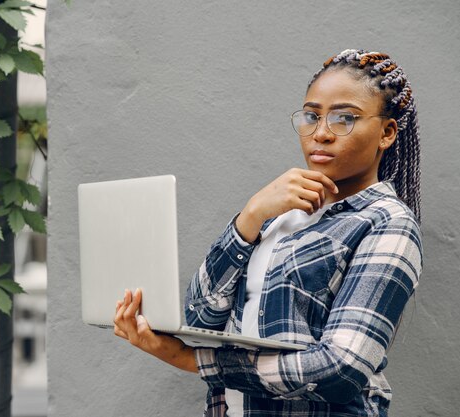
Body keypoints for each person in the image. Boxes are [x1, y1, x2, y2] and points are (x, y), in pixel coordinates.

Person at [113, 48, 423, 417]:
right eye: (311, 116)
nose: (321, 133)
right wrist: (252, 214)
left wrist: (190, 361)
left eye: (344, 119)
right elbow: (199, 318)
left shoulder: (387, 222)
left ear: (386, 133)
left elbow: (341, 368)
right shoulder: (279, 213)